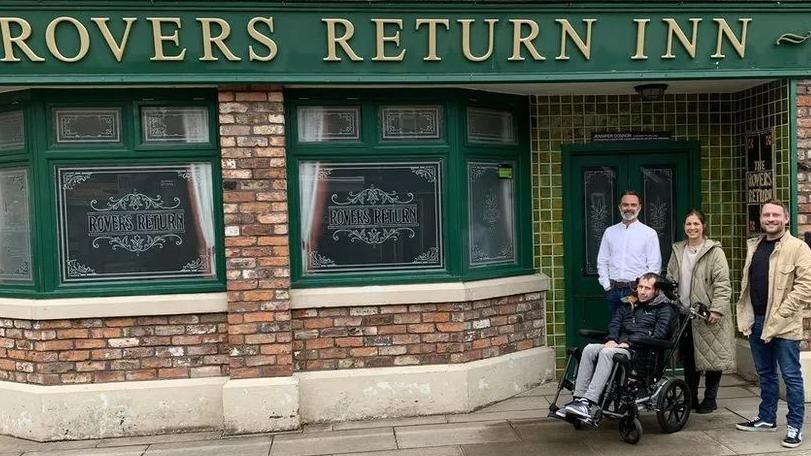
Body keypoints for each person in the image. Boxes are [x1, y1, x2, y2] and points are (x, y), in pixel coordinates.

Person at [735, 199, 811, 449]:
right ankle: (767, 417)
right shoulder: (754, 245)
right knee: (765, 374)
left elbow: (805, 287)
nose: (770, 219)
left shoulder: (798, 248)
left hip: (785, 325)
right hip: (756, 321)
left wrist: (780, 315)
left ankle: (794, 426)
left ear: (786, 219)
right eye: (766, 215)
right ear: (761, 219)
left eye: (776, 215)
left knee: (790, 376)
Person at [563, 272, 675, 419]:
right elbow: (615, 324)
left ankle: (588, 401)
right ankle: (578, 399)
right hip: (619, 346)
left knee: (607, 353)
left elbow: (659, 335)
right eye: (640, 286)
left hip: (641, 352)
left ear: (656, 290)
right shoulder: (628, 304)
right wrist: (612, 339)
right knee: (590, 349)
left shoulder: (664, 309)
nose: (642, 291)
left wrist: (629, 343)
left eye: (647, 288)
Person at [666, 209, 733, 414]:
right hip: (685, 313)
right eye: (688, 224)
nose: (692, 228)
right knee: (690, 358)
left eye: (696, 224)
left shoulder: (714, 252)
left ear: (703, 226)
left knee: (713, 358)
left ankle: (710, 399)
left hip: (708, 313)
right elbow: (670, 278)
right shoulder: (678, 250)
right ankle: (691, 397)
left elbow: (722, 284)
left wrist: (717, 310)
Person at [597, 191, 662, 317]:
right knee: (614, 330)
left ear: (639, 207)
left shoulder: (649, 233)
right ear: (620, 207)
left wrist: (642, 290)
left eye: (633, 205)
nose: (629, 208)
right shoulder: (610, 232)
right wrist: (606, 285)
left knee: (636, 330)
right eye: (625, 204)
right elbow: (602, 261)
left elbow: (654, 266)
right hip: (614, 291)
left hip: (637, 291)